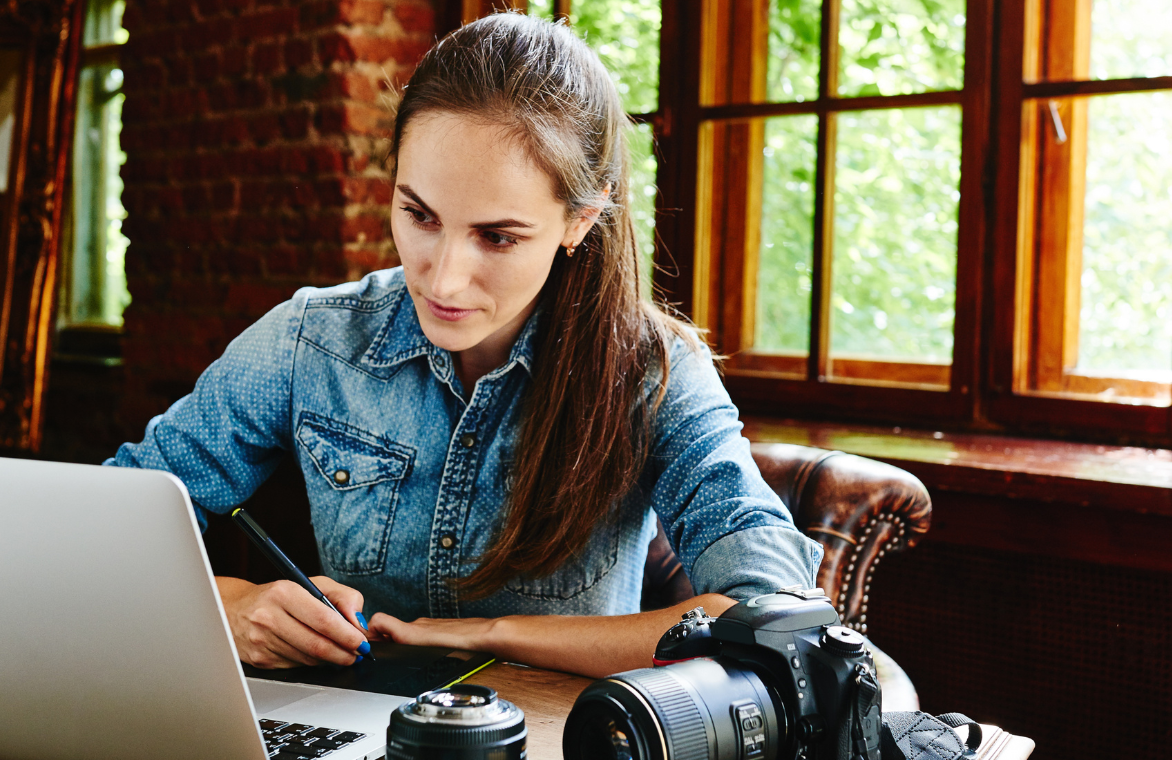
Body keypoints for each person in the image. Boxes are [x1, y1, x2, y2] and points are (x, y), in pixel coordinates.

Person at [106, 13, 821, 678]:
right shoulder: (309, 343)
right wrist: (226, 608)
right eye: (418, 214)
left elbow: (772, 613)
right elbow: (105, 529)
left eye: (498, 236)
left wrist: (493, 635)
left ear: (582, 219)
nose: (444, 278)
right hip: (354, 754)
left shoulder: (652, 371)